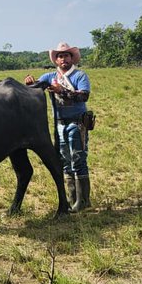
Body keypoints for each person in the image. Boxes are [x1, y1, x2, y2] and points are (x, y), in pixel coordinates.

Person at [25, 41, 92, 212]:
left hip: (77, 122)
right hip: (60, 124)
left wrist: (61, 90)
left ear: (72, 58)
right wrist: (30, 83)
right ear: (56, 60)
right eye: (60, 56)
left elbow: (83, 96)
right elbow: (35, 87)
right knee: (65, 161)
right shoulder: (49, 77)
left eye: (66, 55)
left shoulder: (80, 76)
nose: (63, 59)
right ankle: (71, 199)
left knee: (78, 159)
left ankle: (83, 201)